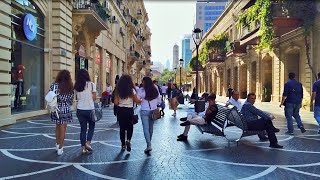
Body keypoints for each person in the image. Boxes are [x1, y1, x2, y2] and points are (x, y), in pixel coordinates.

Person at [49, 70, 74, 155]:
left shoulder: (54, 86)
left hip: (55, 108)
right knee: (63, 128)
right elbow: (71, 100)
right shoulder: (70, 86)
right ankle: (61, 147)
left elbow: (50, 95)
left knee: (57, 126)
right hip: (66, 109)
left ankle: (57, 144)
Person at [114, 75, 141, 152]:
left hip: (120, 110)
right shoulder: (132, 90)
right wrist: (142, 100)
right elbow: (137, 101)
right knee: (130, 127)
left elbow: (116, 103)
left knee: (122, 128)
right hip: (129, 110)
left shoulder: (118, 90)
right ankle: (128, 140)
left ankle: (123, 145)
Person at [74, 69, 97, 155]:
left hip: (80, 109)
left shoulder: (77, 85)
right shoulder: (91, 85)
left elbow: (75, 97)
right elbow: (94, 98)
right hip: (90, 109)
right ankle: (88, 142)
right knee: (91, 127)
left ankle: (83, 148)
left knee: (83, 129)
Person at [137, 77, 161, 153]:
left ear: (144, 82)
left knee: (145, 129)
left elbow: (138, 100)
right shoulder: (155, 88)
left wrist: (142, 101)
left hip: (144, 110)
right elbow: (159, 100)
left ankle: (149, 145)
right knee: (151, 128)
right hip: (153, 111)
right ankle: (149, 145)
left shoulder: (141, 90)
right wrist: (154, 104)